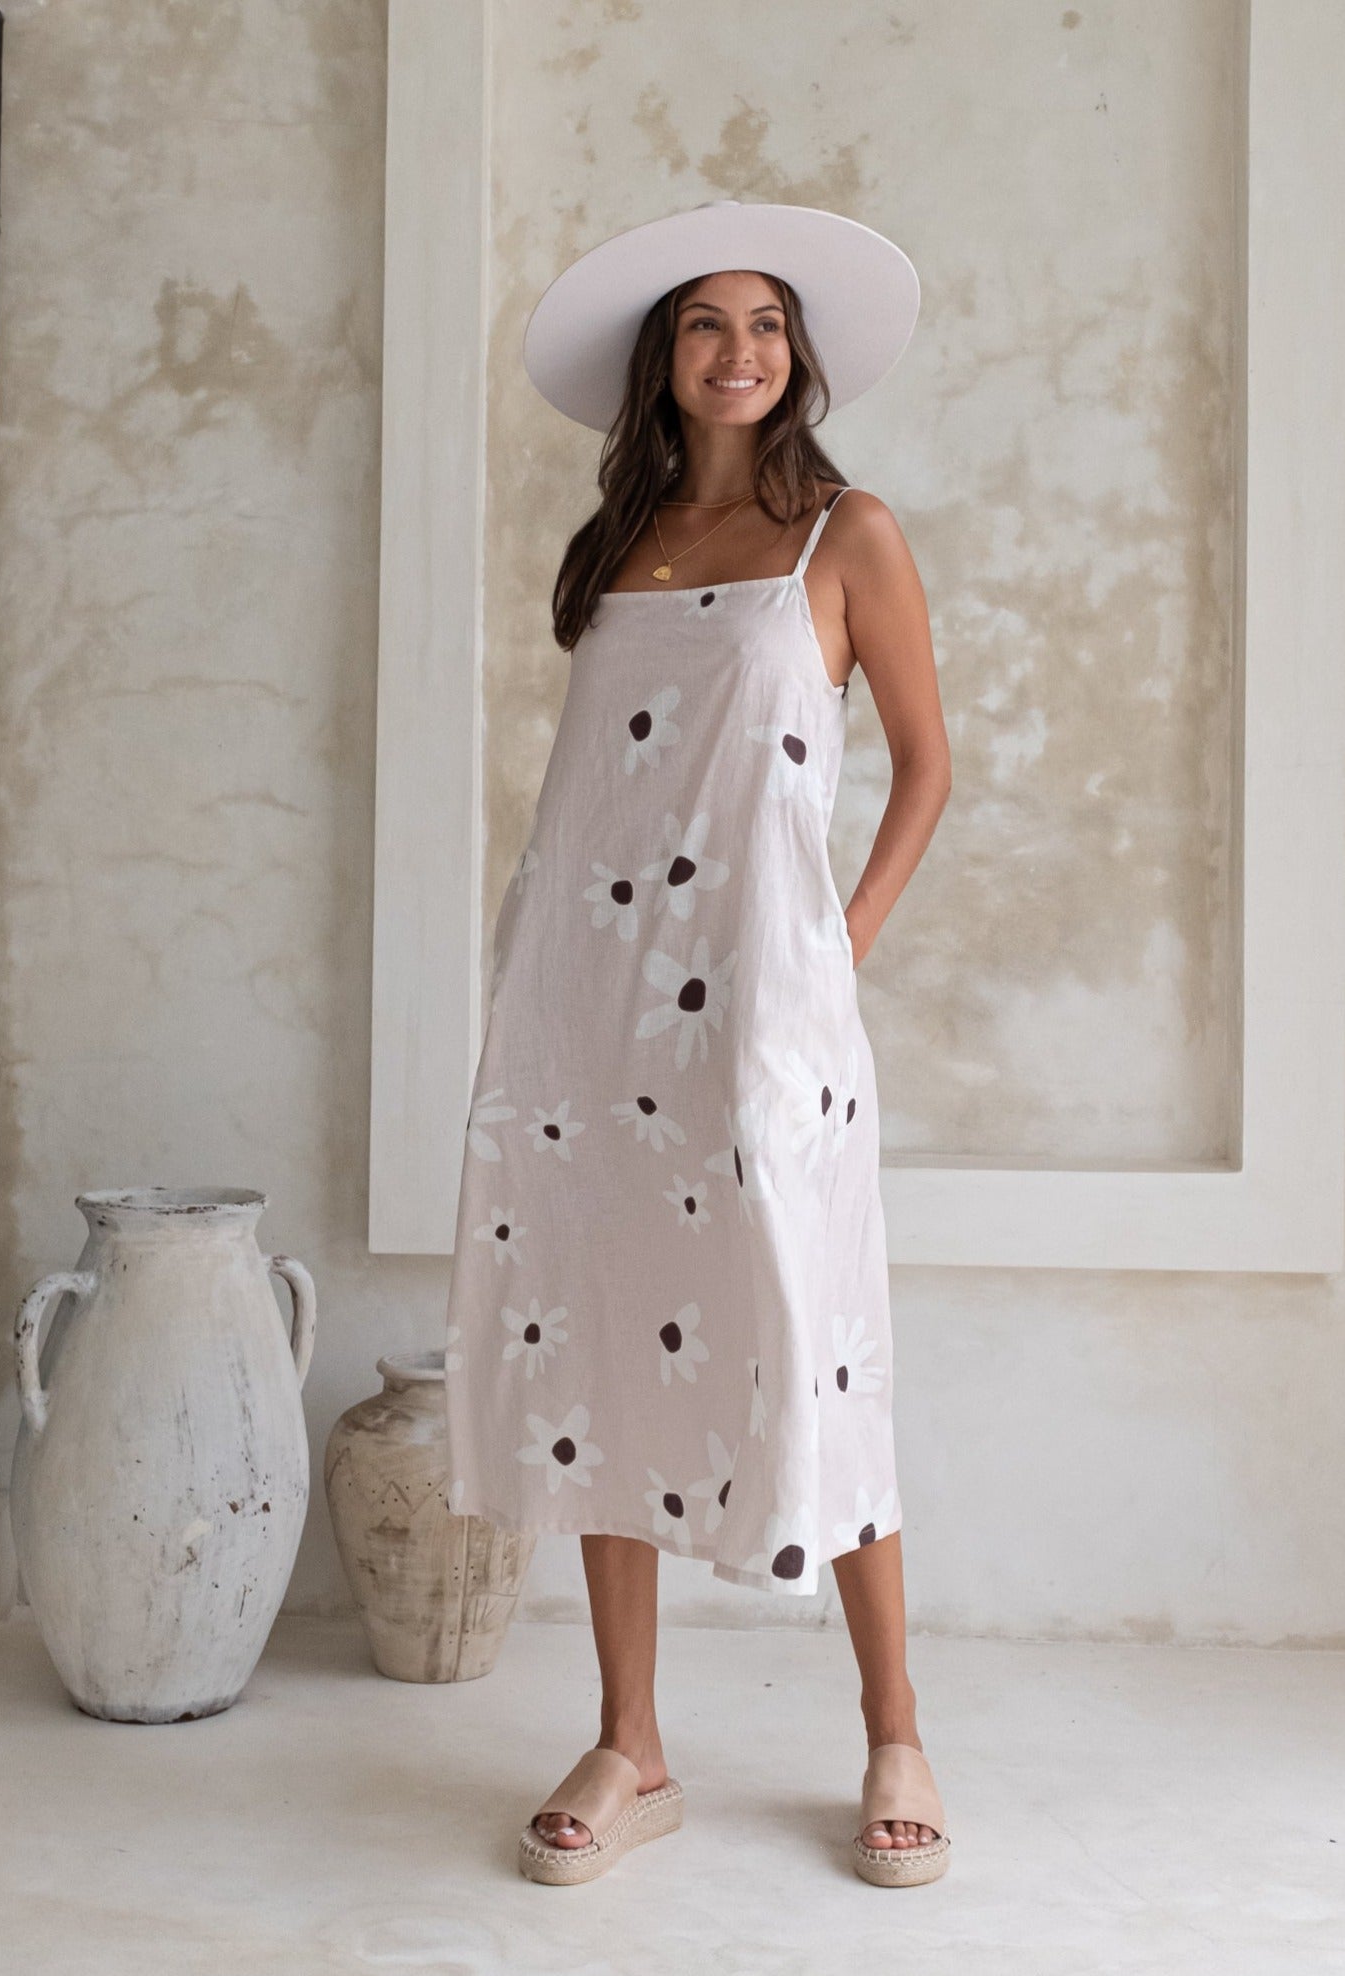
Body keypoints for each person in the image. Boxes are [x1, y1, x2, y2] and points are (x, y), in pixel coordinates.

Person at [442, 200, 953, 1887]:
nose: (739, 350)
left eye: (766, 325)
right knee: (600, 1346)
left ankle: (893, 1724)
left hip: (763, 1013)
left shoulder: (845, 536)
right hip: (586, 1011)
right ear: (664, 362)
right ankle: (632, 1738)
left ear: (798, 357)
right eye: (704, 325)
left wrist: (837, 944)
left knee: (812, 1334)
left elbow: (926, 769)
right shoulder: (622, 545)